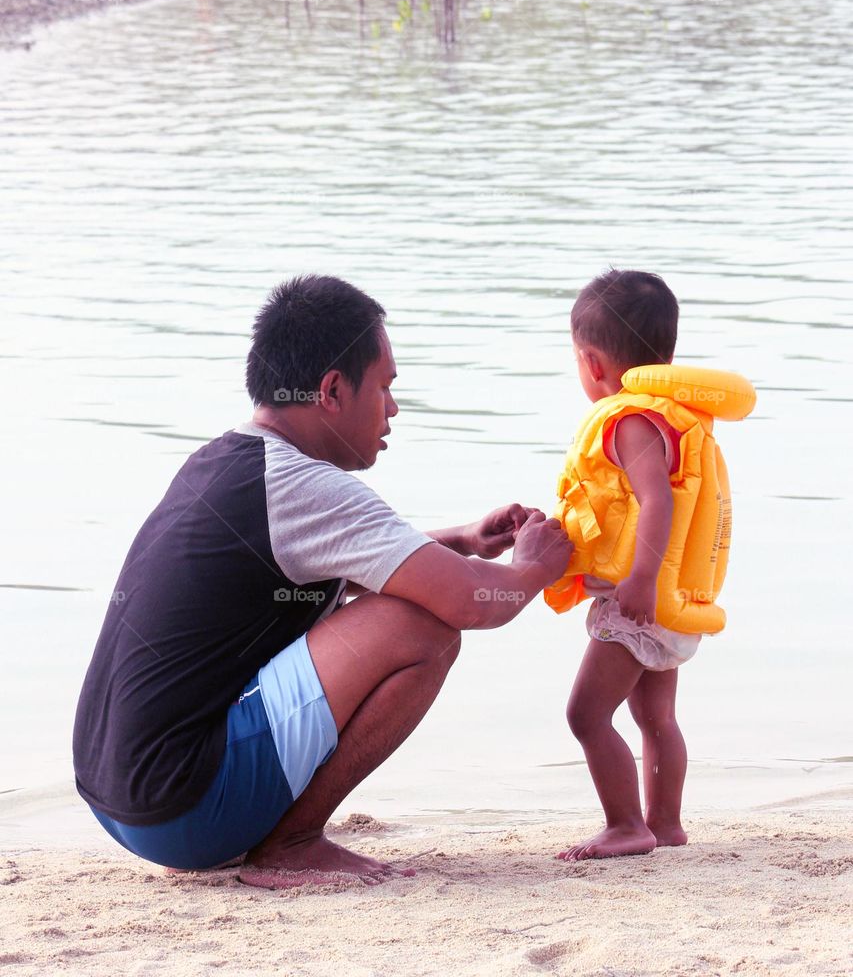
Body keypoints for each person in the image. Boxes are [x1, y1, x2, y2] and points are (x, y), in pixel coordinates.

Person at [73, 274, 569, 889]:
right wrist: (536, 568)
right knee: (425, 629)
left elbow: (352, 569)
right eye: (385, 387)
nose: (393, 409)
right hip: (184, 810)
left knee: (402, 604)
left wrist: (464, 541)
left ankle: (274, 827)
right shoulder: (303, 486)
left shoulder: (227, 461)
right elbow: (471, 600)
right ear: (333, 390)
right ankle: (293, 841)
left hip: (120, 800)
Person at [544, 269, 748, 861]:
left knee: (586, 714)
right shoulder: (673, 415)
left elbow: (656, 500)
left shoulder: (629, 420)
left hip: (641, 595)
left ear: (592, 362)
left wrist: (638, 577)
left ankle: (626, 824)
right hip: (671, 601)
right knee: (655, 715)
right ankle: (666, 822)